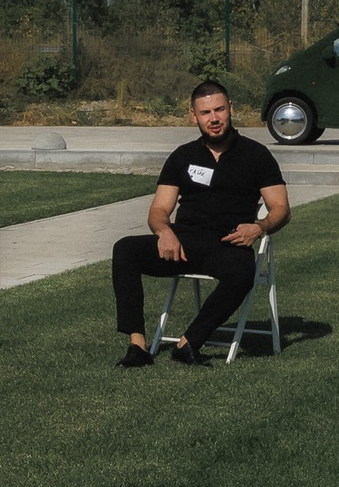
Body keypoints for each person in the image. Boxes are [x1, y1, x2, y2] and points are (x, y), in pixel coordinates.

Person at [112, 81, 291, 366]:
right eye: (205, 112)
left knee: (243, 270)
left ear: (231, 109)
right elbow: (159, 208)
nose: (214, 118)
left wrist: (259, 227)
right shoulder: (182, 156)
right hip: (183, 243)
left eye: (219, 109)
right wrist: (164, 231)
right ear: (193, 116)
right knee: (125, 250)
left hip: (226, 243)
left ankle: (189, 343)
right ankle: (138, 346)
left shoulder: (256, 155)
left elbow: (281, 208)